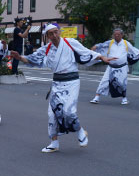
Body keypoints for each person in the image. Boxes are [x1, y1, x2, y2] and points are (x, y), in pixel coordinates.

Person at [10, 23, 116, 153]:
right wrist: (20, 57)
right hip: (57, 82)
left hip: (72, 81)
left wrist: (102, 57)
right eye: (51, 33)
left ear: (59, 32)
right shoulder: (47, 48)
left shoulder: (70, 43)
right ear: (47, 36)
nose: (54, 35)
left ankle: (80, 131)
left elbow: (86, 52)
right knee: (52, 113)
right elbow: (34, 59)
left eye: (56, 32)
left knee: (69, 111)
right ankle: (54, 142)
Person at [90, 28, 139, 105]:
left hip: (122, 67)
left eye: (118, 34)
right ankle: (96, 97)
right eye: (115, 34)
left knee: (122, 83)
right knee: (104, 81)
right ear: (113, 35)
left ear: (122, 35)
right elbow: (101, 45)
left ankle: (124, 98)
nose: (116, 36)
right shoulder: (110, 42)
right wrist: (95, 47)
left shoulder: (126, 43)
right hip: (111, 67)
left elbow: (134, 50)